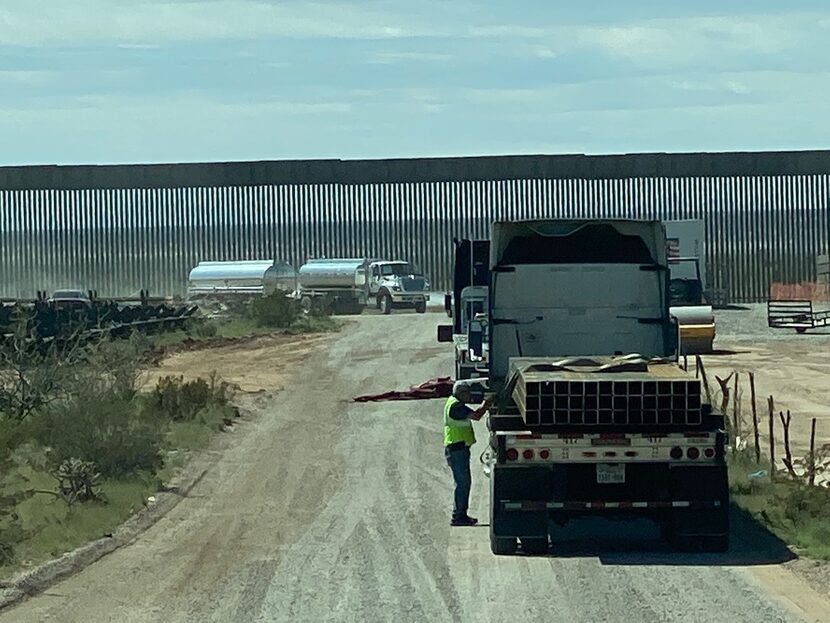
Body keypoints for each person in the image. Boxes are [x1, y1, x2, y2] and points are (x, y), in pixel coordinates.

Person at [443, 381, 492, 526]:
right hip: (457, 449)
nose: (469, 396)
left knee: (463, 483)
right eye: (467, 393)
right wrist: (486, 404)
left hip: (458, 448)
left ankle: (460, 515)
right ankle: (458, 516)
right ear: (461, 393)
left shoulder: (453, 402)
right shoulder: (456, 406)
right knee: (463, 484)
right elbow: (476, 416)